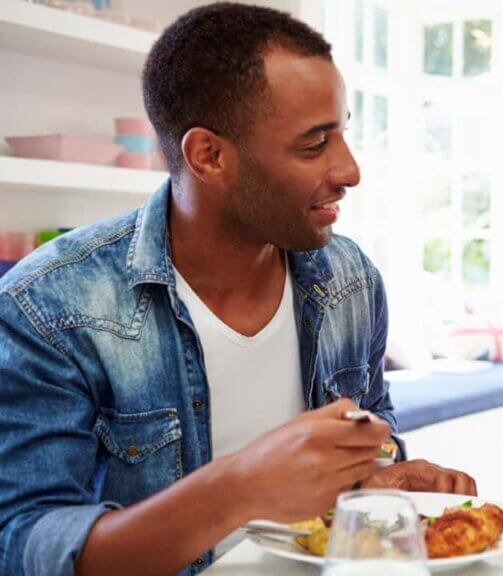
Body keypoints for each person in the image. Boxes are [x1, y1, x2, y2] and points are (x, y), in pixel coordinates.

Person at [0, 4, 474, 575]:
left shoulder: (351, 279)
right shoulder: (52, 305)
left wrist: (378, 475)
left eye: (342, 132)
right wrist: (239, 486)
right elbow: (25, 546)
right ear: (209, 156)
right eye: (313, 144)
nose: (350, 170)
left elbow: (373, 423)